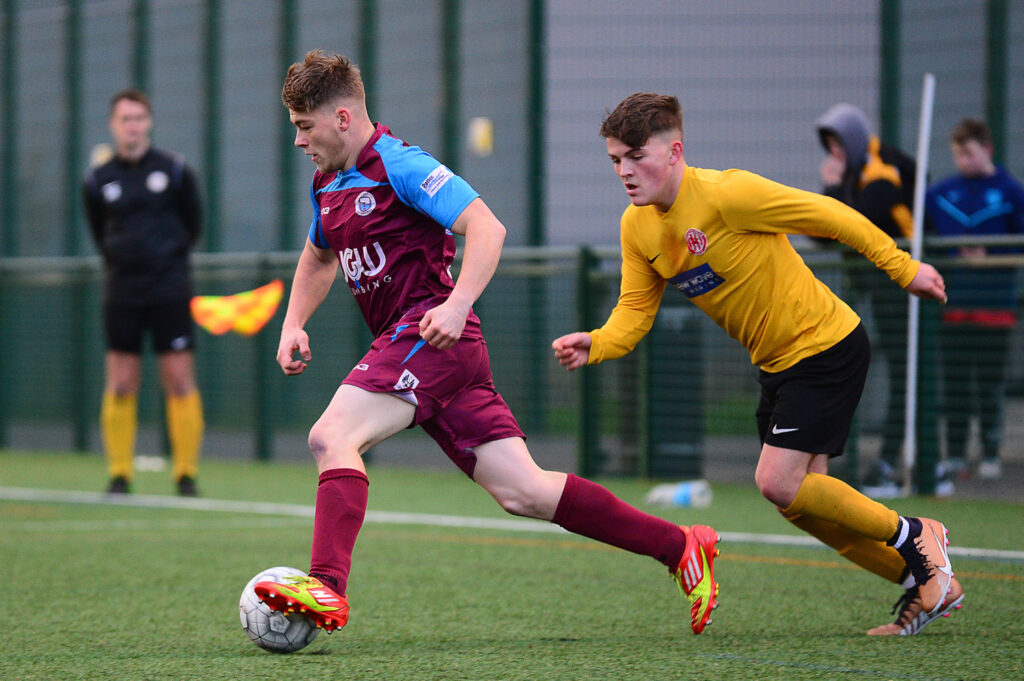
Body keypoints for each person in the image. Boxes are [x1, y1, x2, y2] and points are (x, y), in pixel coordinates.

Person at [255, 51, 721, 637]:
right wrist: (294, 320)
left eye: (304, 126)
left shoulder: (401, 165)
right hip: (432, 352)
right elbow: (319, 255)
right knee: (524, 492)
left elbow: (487, 227)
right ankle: (679, 545)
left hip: (430, 334)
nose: (299, 140)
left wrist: (456, 305)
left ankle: (326, 586)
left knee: (331, 436)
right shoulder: (328, 182)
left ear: (343, 118)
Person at [552, 92, 960, 636]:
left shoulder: (727, 194)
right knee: (802, 504)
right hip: (777, 365)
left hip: (825, 345)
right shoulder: (637, 227)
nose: (625, 172)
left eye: (635, 156)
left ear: (675, 152)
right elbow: (633, 313)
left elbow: (833, 214)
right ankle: (928, 580)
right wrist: (597, 342)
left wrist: (902, 267)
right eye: (614, 161)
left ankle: (917, 534)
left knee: (775, 482)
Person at [83, 89, 204, 497]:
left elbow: (193, 225)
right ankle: (120, 474)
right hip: (121, 291)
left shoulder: (174, 170)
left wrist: (164, 261)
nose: (131, 125)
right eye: (124, 119)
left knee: (178, 379)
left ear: (148, 122)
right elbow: (100, 231)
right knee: (120, 382)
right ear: (112, 125)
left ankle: (185, 475)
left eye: (138, 118)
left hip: (169, 288)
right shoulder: (98, 178)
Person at [815, 103, 917, 498]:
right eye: (829, 146)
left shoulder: (881, 172)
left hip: (905, 287)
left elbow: (851, 225)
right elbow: (823, 231)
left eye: (838, 144)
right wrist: (833, 187)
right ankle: (889, 459)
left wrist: (833, 188)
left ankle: (896, 460)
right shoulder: (855, 174)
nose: (833, 154)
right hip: (878, 289)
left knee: (909, 373)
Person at [926, 118, 1024, 480]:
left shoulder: (1010, 192)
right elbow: (916, 222)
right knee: (954, 384)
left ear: (987, 149)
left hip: (995, 308)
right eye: (957, 154)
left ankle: (991, 452)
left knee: (989, 383)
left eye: (968, 152)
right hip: (954, 306)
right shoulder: (942, 194)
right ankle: (954, 454)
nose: (963, 160)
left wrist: (994, 254)